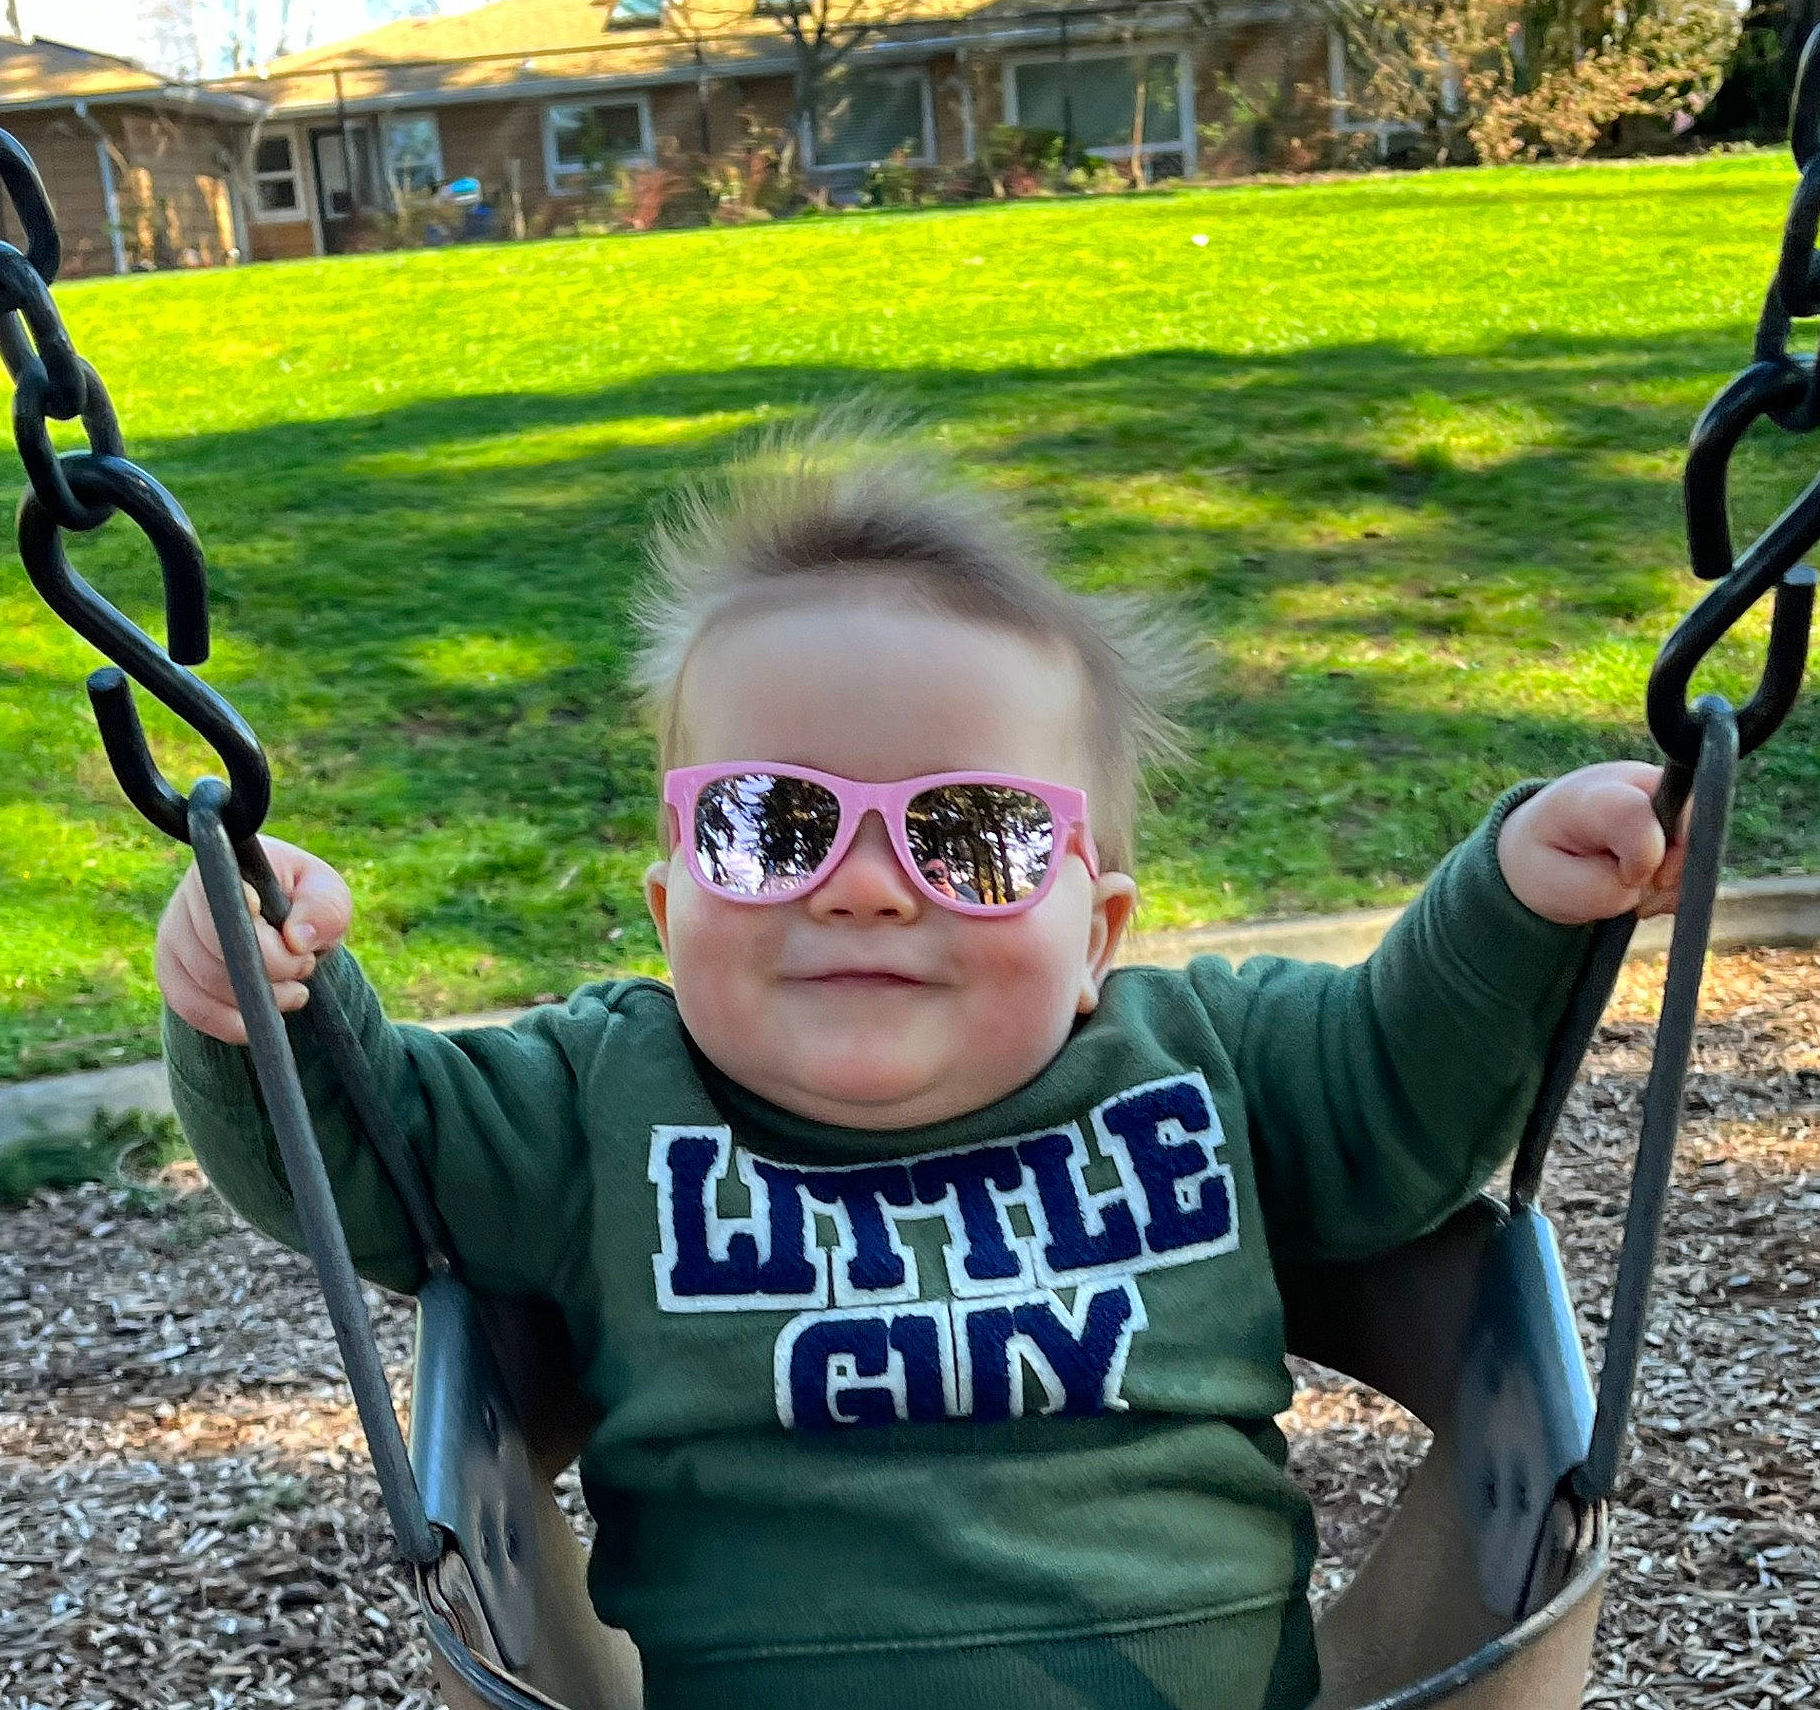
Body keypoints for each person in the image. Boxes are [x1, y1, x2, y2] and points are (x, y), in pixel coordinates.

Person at [156, 415, 1686, 1710]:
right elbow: (372, 1157)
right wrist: (261, 1002)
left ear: (1099, 932)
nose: (868, 885)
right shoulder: (598, 1102)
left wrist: (1516, 899)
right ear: (668, 901)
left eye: (973, 835)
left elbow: (1395, 1095)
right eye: (770, 825)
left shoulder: (1202, 1061)